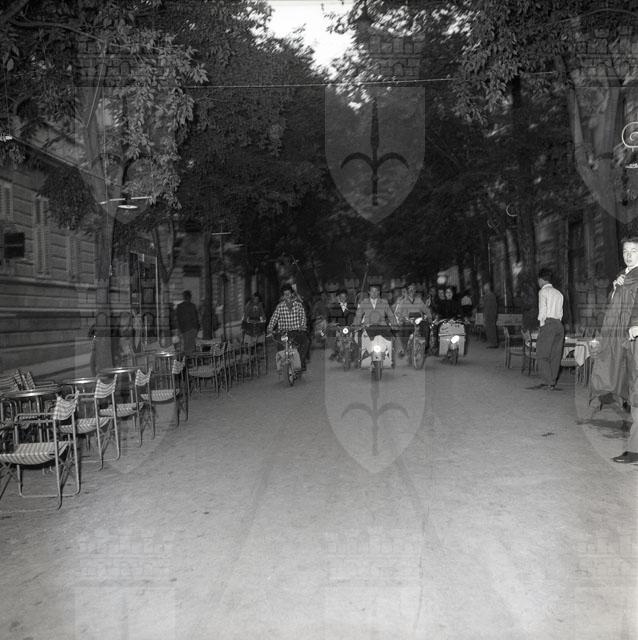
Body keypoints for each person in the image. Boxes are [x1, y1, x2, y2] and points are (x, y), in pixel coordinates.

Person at [590, 237, 638, 463]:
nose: (628, 255)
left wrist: (636, 323)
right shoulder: (624, 277)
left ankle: (635, 449)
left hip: (635, 340)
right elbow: (614, 308)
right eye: (625, 251)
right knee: (630, 387)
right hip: (624, 342)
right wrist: (616, 288)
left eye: (634, 251)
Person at [267, 283, 309, 371]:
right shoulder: (280, 307)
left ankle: (301, 362)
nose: (287, 296)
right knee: (280, 346)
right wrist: (270, 328)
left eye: (288, 294)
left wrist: (302, 326)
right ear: (282, 296)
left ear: (292, 294)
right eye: (285, 294)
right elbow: (274, 318)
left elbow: (303, 317)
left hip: (296, 331)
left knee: (305, 342)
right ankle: (282, 366)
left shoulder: (298, 305)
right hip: (284, 333)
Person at [534, 268, 564, 390]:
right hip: (559, 324)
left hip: (548, 323)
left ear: (541, 279)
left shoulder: (543, 292)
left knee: (541, 353)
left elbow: (543, 310)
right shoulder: (559, 293)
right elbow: (560, 313)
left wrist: (542, 325)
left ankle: (548, 381)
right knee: (555, 354)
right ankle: (552, 380)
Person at [394, 282, 430, 356]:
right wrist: (403, 318)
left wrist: (428, 315)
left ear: (415, 290)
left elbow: (426, 311)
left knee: (426, 327)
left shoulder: (419, 301)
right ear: (407, 291)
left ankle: (425, 348)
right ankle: (404, 349)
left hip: (419, 321)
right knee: (404, 329)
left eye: (413, 289)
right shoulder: (402, 302)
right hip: (408, 322)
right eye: (410, 289)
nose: (411, 290)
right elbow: (397, 313)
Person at [328, 288, 356, 360]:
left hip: (350, 328)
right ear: (339, 297)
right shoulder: (335, 307)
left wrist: (354, 323)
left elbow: (355, 316)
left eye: (344, 297)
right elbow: (332, 318)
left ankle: (354, 355)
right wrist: (332, 323)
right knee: (336, 341)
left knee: (353, 341)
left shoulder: (351, 306)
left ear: (346, 297)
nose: (342, 298)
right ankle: (336, 352)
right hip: (339, 328)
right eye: (341, 297)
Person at [176, 290, 200, 355]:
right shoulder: (192, 306)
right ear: (190, 297)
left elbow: (178, 319)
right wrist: (196, 328)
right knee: (191, 347)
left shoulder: (179, 306)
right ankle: (190, 358)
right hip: (192, 329)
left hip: (184, 329)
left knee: (185, 346)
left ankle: (187, 358)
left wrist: (179, 329)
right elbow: (195, 318)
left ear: (184, 297)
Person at [482, 282, 498, 348]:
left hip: (489, 315)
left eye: (484, 288)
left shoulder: (488, 295)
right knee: (491, 329)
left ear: (487, 288)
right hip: (492, 314)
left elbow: (487, 307)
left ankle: (493, 343)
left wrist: (485, 316)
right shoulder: (491, 295)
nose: (484, 289)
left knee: (490, 329)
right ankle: (493, 343)